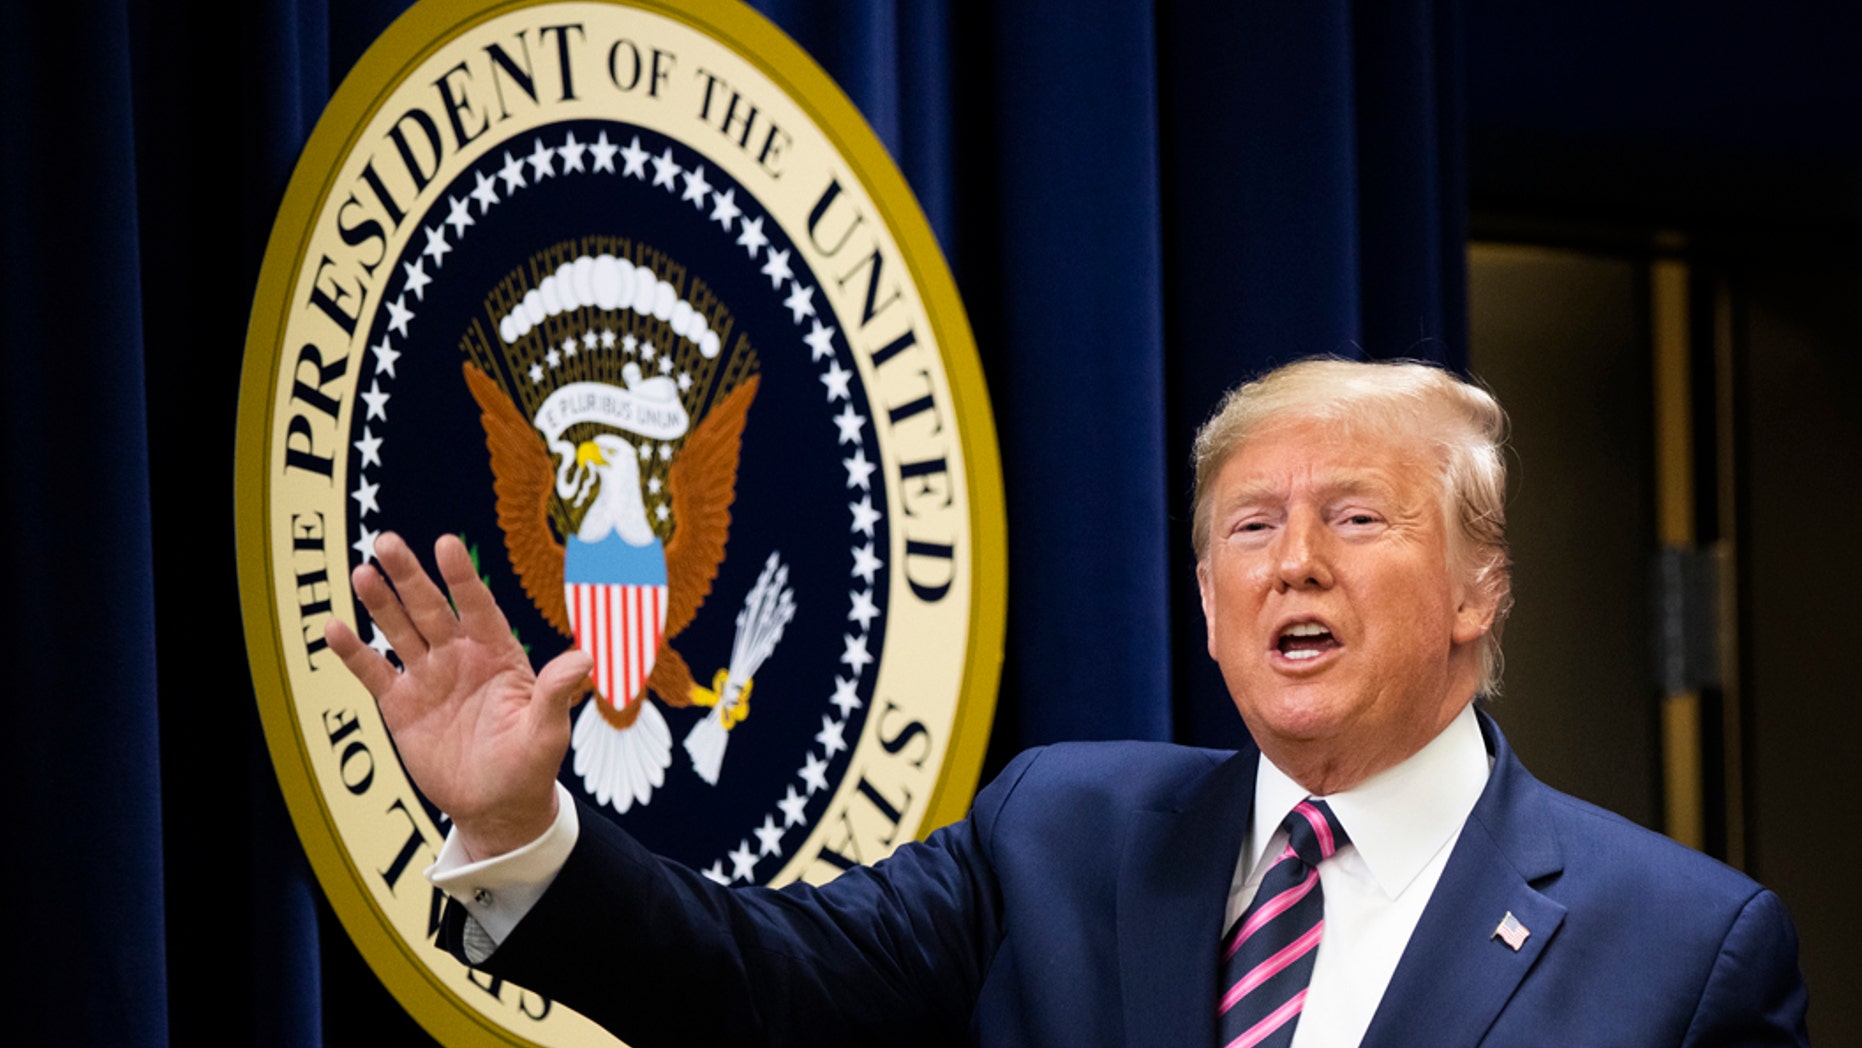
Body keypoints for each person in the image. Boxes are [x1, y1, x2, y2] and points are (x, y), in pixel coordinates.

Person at [328, 358, 1810, 1047]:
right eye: (1247, 527)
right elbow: (752, 991)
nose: (1290, 560)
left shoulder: (1683, 955)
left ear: (1479, 590)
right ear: (1206, 596)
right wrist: (523, 823)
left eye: (1355, 518)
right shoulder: (1060, 830)